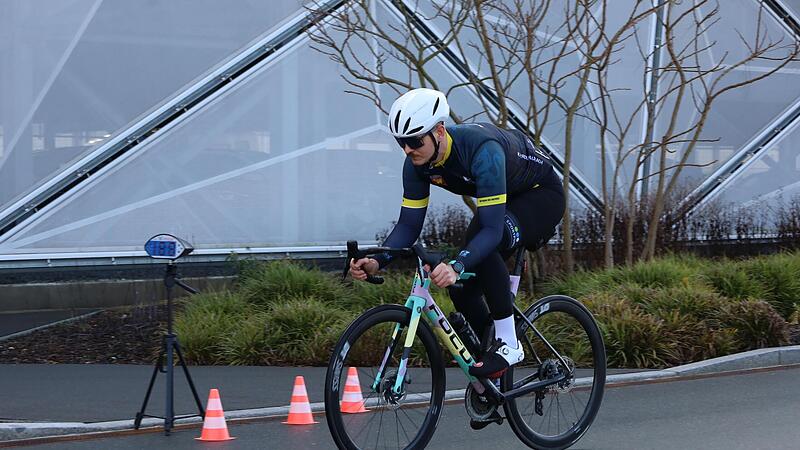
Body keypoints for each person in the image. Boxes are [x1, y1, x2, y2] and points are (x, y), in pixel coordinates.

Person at [349, 88, 565, 379]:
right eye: (401, 142)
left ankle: (508, 343)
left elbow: (490, 228)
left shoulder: (482, 150)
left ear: (439, 131)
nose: (407, 150)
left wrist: (456, 265)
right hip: (504, 199)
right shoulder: (416, 165)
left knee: (481, 237)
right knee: (461, 287)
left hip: (540, 196)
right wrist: (377, 261)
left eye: (414, 141)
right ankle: (488, 360)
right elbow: (408, 226)